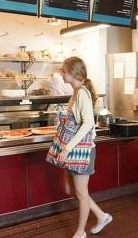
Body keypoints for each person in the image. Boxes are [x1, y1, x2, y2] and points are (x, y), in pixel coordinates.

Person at [47, 57, 112, 238]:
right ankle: (101, 216)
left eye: (63, 71)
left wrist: (67, 148)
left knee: (81, 194)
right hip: (75, 149)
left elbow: (88, 123)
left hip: (82, 150)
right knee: (70, 189)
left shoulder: (82, 93)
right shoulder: (76, 92)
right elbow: (77, 120)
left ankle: (80, 232)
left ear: (73, 73)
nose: (61, 74)